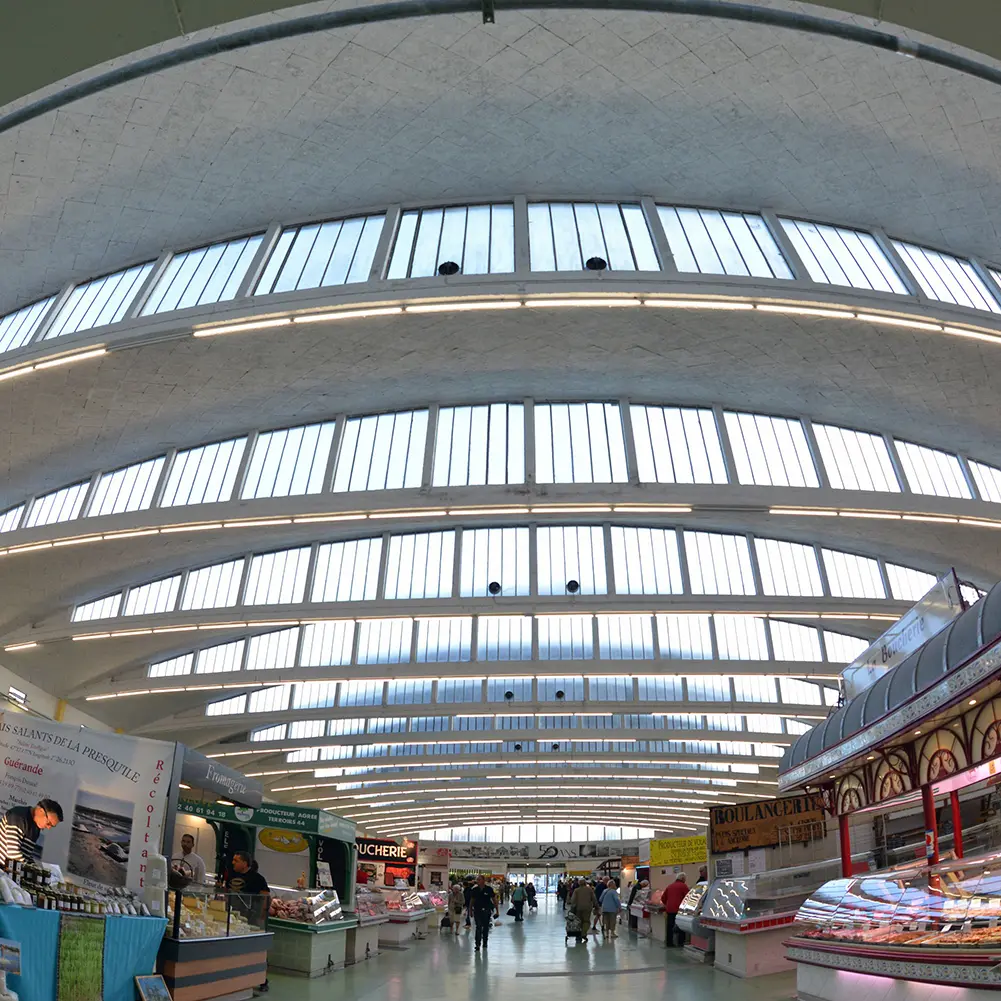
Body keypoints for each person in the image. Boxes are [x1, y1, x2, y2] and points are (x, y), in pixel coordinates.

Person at [226, 852, 271, 992]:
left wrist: (261, 915)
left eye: (236, 860)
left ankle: (262, 979)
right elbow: (227, 892)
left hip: (252, 919)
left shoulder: (257, 879)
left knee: (255, 949)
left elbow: (265, 897)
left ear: (245, 863)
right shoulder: (231, 875)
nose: (233, 862)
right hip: (233, 917)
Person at [0, 799, 62, 867]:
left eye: (52, 826)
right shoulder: (18, 817)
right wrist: (33, 870)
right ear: (40, 811)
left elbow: (26, 855)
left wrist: (36, 868)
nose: (49, 827)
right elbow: (13, 853)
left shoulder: (36, 827)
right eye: (48, 823)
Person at [469, 874, 499, 951]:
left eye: (479, 879)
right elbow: (472, 901)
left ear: (483, 880)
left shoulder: (489, 889)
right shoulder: (475, 890)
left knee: (485, 927)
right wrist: (470, 911)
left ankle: (485, 942)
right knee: (478, 927)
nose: (477, 881)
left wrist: (497, 910)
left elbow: (494, 900)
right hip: (477, 910)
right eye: (477, 880)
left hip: (487, 910)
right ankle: (477, 944)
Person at [662, 872, 689, 948]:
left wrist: (667, 905)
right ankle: (680, 943)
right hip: (679, 910)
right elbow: (688, 898)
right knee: (681, 926)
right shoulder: (683, 886)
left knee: (669, 926)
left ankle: (669, 943)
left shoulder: (670, 886)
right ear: (683, 878)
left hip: (670, 910)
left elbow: (663, 898)